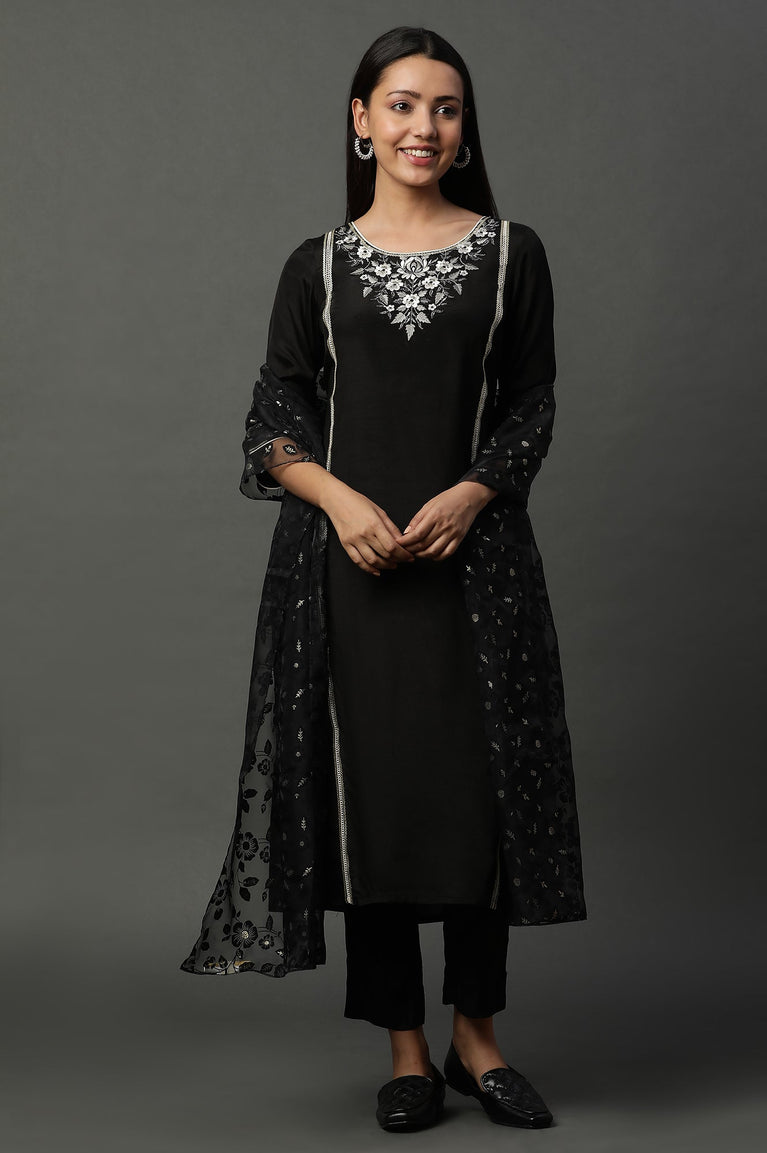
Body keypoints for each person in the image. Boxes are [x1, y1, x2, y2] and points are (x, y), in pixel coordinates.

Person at [179, 25, 587, 1134]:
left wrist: (475, 491)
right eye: (402, 105)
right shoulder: (313, 267)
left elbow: (531, 403)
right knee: (374, 810)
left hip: (475, 574)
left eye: (446, 108)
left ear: (465, 129)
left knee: (477, 804)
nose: (424, 127)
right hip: (348, 579)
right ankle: (406, 1050)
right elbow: (272, 416)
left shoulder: (511, 255)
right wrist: (341, 503)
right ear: (361, 120)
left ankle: (476, 1039)